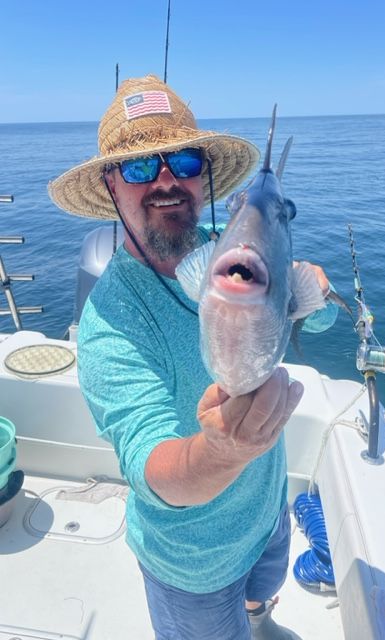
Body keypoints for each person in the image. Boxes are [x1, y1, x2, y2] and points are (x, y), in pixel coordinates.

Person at [48, 74, 338, 640]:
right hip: (192, 566)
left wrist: (316, 295)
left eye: (182, 160)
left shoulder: (232, 246)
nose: (165, 181)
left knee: (261, 595)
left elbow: (311, 313)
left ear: (202, 175)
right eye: (138, 167)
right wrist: (224, 451)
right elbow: (152, 465)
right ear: (111, 185)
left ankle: (257, 616)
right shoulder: (110, 323)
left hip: (268, 512)